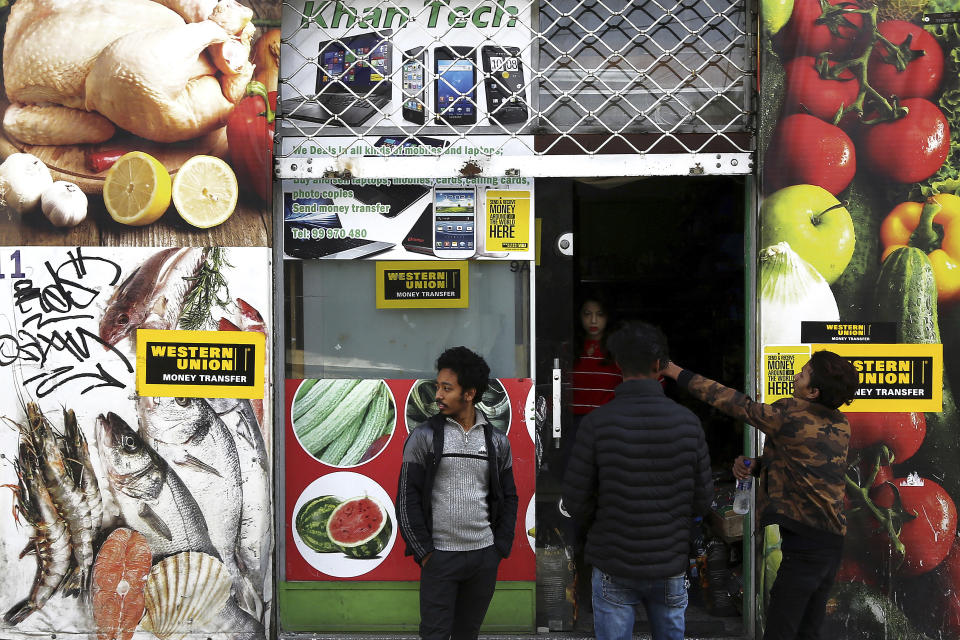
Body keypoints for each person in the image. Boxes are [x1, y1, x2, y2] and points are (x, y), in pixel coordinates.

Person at [659, 350, 858, 640]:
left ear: (814, 392)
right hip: (832, 543)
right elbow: (806, 466)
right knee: (808, 631)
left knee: (780, 631)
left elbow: (733, 403)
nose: (796, 375)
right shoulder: (841, 425)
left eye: (803, 374)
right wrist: (756, 466)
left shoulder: (791, 415)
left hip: (805, 547)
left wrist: (674, 371)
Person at [563, 321, 713, 640]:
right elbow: (702, 500)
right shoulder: (688, 423)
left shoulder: (596, 424)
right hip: (669, 563)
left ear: (617, 364)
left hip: (613, 561)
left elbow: (576, 501)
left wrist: (604, 523)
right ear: (660, 366)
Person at [396, 346, 518, 640]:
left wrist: (498, 548)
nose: (438, 394)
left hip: (482, 559)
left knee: (468, 634)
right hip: (440, 559)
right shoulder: (424, 437)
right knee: (435, 634)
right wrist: (425, 553)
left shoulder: (496, 441)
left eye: (446, 388)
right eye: (438, 386)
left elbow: (510, 496)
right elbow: (406, 497)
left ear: (469, 393)